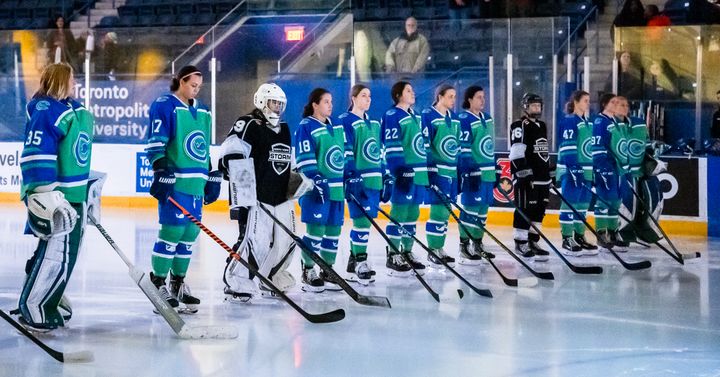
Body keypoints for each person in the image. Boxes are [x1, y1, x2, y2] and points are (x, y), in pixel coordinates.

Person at [17, 62, 94, 332]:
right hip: (56, 196)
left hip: (72, 196)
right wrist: (44, 194)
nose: (75, 83)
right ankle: (35, 307)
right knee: (56, 254)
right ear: (61, 79)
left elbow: (75, 153)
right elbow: (37, 151)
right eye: (72, 78)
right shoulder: (46, 108)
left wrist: (89, 188)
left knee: (63, 254)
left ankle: (49, 299)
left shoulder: (67, 109)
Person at [145, 65, 221, 313]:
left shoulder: (203, 112)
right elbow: (155, 142)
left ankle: (178, 283)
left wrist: (210, 175)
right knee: (172, 232)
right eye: (192, 85)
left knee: (189, 235)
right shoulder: (164, 105)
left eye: (199, 86)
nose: (196, 90)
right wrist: (160, 169)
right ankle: (158, 283)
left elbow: (203, 149)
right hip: (175, 182)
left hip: (195, 185)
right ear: (180, 81)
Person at [219, 83, 299, 303]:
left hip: (279, 196)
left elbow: (287, 162)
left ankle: (271, 277)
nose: (277, 108)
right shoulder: (248, 123)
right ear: (262, 102)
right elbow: (230, 153)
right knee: (254, 240)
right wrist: (244, 191)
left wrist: (296, 181)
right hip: (253, 196)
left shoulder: (284, 128)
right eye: (274, 103)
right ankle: (237, 281)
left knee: (285, 239)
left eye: (281, 104)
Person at [294, 88, 346, 293]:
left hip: (336, 189)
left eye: (331, 101)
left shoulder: (337, 127)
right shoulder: (306, 126)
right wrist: (316, 178)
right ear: (315, 104)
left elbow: (344, 156)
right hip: (316, 189)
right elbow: (304, 157)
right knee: (316, 231)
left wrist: (349, 176)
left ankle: (327, 269)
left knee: (333, 230)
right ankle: (308, 270)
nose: (330, 105)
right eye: (326, 101)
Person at [381, 81, 428, 276]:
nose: (413, 92)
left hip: (419, 172)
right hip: (404, 172)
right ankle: (393, 254)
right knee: (400, 212)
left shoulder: (415, 116)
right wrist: (399, 169)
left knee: (412, 214)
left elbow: (420, 144)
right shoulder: (393, 115)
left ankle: (407, 251)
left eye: (412, 89)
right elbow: (391, 143)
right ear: (399, 95)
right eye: (408, 90)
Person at [339, 84, 383, 285]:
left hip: (374, 180)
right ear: (353, 98)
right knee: (362, 222)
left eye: (370, 96)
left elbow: (377, 152)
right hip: (358, 180)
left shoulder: (374, 124)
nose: (368, 99)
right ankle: (360, 262)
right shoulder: (345, 121)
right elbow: (345, 152)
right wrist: (350, 176)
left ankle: (353, 261)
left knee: (365, 223)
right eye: (364, 95)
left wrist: (386, 175)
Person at [456, 85, 497, 264]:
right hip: (474, 173)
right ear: (470, 99)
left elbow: (490, 145)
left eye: (484, 97)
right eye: (479, 97)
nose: (483, 100)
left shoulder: (487, 119)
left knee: (482, 212)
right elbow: (463, 148)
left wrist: (495, 167)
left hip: (488, 173)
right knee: (470, 210)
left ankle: (477, 243)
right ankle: (464, 246)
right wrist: (470, 169)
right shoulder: (464, 119)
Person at [422, 84, 461, 267]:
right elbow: (425, 145)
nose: (453, 100)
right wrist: (430, 170)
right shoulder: (428, 116)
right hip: (438, 171)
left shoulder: (454, 119)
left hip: (451, 172)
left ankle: (440, 248)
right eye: (450, 96)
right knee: (437, 211)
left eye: (455, 96)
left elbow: (457, 146)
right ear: (440, 97)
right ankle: (433, 250)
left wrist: (459, 171)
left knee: (446, 212)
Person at [509, 93, 551, 262]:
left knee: (539, 211)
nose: (536, 108)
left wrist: (549, 173)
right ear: (525, 107)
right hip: (527, 178)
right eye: (533, 105)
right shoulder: (519, 125)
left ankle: (533, 241)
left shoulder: (542, 125)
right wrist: (524, 174)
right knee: (524, 209)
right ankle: (520, 242)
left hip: (542, 177)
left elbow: (543, 151)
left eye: (538, 105)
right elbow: (516, 152)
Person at [557, 90, 599, 256]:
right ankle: (567, 238)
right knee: (570, 204)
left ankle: (579, 236)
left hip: (587, 171)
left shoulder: (588, 122)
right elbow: (568, 146)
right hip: (572, 170)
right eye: (585, 101)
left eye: (589, 100)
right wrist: (573, 167)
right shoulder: (570, 120)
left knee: (582, 206)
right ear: (576, 102)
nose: (588, 104)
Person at [614, 96, 648, 249]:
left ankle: (636, 231)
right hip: (618, 174)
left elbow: (646, 145)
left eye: (626, 105)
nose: (625, 107)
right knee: (622, 204)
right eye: (621, 105)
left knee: (639, 205)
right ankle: (618, 232)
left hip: (637, 174)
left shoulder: (638, 124)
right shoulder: (608, 124)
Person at [591, 93, 622, 250]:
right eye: (613, 102)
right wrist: (600, 166)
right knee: (604, 200)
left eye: (618, 102)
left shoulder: (614, 121)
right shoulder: (599, 121)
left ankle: (613, 231)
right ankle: (601, 233)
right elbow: (596, 146)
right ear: (605, 104)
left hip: (614, 166)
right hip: (603, 165)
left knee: (615, 200)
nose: (616, 105)